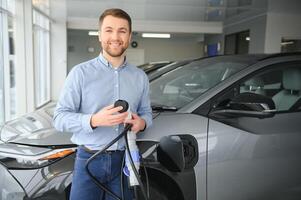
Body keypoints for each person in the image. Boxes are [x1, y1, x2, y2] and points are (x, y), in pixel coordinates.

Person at [53, 8, 152, 200]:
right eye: (109, 30)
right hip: (88, 159)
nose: (115, 37)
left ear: (129, 35)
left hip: (125, 160)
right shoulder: (79, 73)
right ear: (99, 35)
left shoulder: (140, 77)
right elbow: (59, 118)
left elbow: (146, 113)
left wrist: (143, 123)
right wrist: (93, 120)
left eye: (122, 31)